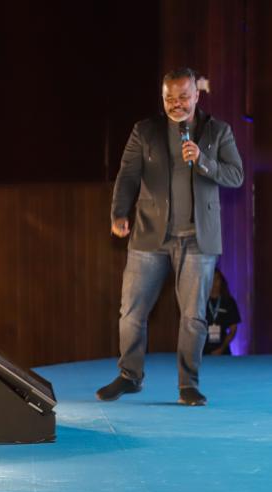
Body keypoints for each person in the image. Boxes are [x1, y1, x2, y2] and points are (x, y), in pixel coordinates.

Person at [97, 67, 244, 406]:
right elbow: (128, 175)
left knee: (194, 316)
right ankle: (129, 376)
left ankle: (187, 385)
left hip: (198, 238)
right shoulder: (144, 131)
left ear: (196, 95)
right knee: (131, 311)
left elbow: (236, 174)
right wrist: (119, 213)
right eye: (169, 98)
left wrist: (203, 161)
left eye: (182, 97)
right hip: (151, 235)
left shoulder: (218, 131)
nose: (176, 104)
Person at [203, 269, 240, 355]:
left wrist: (221, 348)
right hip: (201, 352)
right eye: (210, 279)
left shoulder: (229, 302)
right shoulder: (200, 302)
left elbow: (233, 330)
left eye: (216, 279)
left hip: (223, 350)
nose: (214, 283)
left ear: (221, 281)